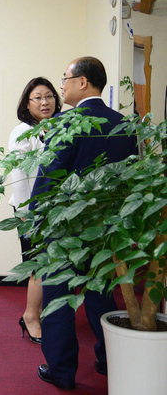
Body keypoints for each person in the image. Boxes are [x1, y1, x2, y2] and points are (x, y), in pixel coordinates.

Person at [32, 57, 138, 390]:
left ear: (82, 82)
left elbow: (49, 174)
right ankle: (109, 359)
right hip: (107, 227)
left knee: (58, 298)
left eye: (64, 79)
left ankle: (62, 372)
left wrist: (36, 217)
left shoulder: (67, 123)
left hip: (65, 227)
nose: (60, 86)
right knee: (102, 295)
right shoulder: (124, 124)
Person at [9, 77, 62, 345]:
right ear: (27, 104)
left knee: (53, 264)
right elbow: (18, 175)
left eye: (49, 96)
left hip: (59, 210)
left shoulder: (61, 127)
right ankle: (30, 316)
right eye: (38, 98)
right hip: (32, 211)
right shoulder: (22, 132)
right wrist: (26, 213)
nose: (45, 102)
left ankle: (41, 313)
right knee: (38, 265)